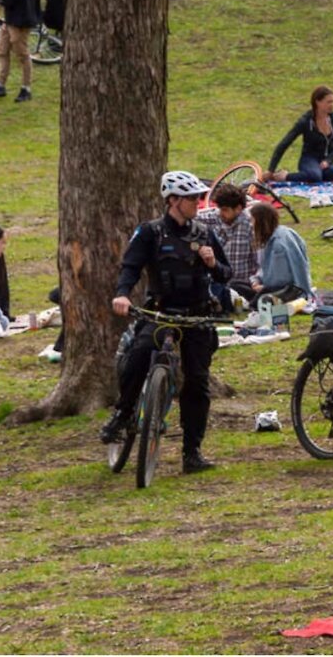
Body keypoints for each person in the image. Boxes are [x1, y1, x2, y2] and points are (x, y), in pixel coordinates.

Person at [100, 172, 233, 473]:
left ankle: (192, 452)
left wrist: (213, 264)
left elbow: (227, 274)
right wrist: (122, 295)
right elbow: (130, 267)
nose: (198, 203)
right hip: (161, 311)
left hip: (198, 315)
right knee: (137, 357)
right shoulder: (150, 232)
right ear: (173, 201)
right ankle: (122, 415)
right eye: (191, 198)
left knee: (197, 383)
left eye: (199, 197)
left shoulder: (204, 232)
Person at [266, 86, 333, 183]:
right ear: (318, 102)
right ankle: (284, 176)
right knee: (315, 177)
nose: (332, 105)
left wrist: (328, 161)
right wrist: (271, 169)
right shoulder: (305, 121)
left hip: (324, 161)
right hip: (309, 158)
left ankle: (312, 174)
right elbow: (284, 143)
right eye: (329, 102)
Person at [195, 182, 258, 295]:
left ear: (238, 209)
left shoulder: (250, 225)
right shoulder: (214, 217)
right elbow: (192, 216)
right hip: (219, 284)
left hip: (243, 286)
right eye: (220, 209)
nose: (221, 213)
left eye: (225, 210)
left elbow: (258, 261)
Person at [247, 202, 311, 303]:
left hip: (287, 289)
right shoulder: (271, 237)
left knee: (262, 298)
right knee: (237, 284)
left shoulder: (278, 245)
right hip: (272, 284)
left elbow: (279, 279)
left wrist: (261, 286)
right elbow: (264, 268)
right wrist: (255, 280)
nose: (251, 224)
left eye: (252, 220)